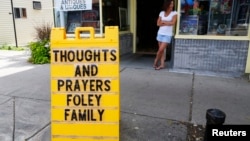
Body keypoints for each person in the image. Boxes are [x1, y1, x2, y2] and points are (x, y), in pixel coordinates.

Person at [153, 0, 177, 70]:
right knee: (162, 51)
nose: (172, 5)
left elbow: (173, 23)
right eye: (171, 4)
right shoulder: (162, 13)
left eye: (172, 4)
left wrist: (163, 22)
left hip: (167, 35)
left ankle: (155, 62)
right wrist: (167, 22)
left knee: (160, 50)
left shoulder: (174, 13)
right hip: (160, 33)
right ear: (167, 4)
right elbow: (158, 23)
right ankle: (162, 65)